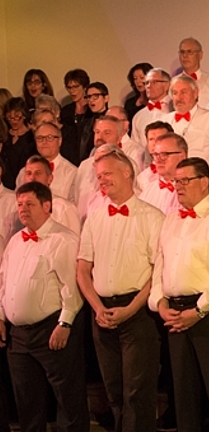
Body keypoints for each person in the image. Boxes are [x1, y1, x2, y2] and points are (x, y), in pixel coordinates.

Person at [149, 157, 209, 432]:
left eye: (184, 181)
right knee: (183, 394)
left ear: (204, 182)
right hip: (175, 313)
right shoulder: (171, 219)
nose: (177, 186)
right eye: (176, 181)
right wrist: (160, 302)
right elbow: (160, 264)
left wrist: (199, 310)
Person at [77, 146, 162, 431]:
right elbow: (82, 269)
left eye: (107, 174)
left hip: (137, 312)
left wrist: (130, 309)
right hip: (101, 311)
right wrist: (98, 307)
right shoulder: (95, 217)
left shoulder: (152, 217)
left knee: (137, 391)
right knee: (113, 390)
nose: (102, 180)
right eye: (99, 176)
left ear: (127, 172)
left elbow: (157, 272)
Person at [0, 181, 89, 432]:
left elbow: (71, 287)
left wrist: (65, 322)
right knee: (27, 402)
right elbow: (4, 281)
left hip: (51, 328)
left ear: (46, 205)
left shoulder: (63, 239)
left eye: (29, 204)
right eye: (19, 205)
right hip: (18, 335)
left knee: (68, 397)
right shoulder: (16, 240)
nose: (23, 209)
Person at [161, 75, 209, 167]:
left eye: (183, 92)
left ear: (195, 93)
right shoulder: (164, 121)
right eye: (175, 93)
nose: (179, 98)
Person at [19, 155, 81, 236]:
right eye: (28, 173)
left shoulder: (64, 208)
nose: (32, 178)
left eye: (38, 173)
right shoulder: (21, 208)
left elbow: (74, 242)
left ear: (50, 179)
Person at [15, 121, 77, 200]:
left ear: (60, 141)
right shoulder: (24, 172)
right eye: (40, 138)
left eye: (50, 137)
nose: (44, 142)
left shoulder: (72, 173)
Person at [139, 132, 187, 215]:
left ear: (182, 156)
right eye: (156, 154)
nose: (158, 160)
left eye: (164, 154)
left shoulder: (194, 190)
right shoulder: (147, 191)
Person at [131, 68, 172, 148]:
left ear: (167, 85)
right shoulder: (138, 116)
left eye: (155, 82)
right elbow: (136, 147)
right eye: (147, 83)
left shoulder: (175, 109)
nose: (149, 86)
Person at [1, 98, 36, 190]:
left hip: (23, 183)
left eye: (17, 116)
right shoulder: (4, 136)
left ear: (24, 115)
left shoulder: (32, 136)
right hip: (4, 184)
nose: (13, 120)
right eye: (9, 117)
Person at [177, 37, 209, 107]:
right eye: (182, 52)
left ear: (200, 55)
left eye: (189, 52)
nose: (185, 56)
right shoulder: (172, 83)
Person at [136, 121, 174, 192]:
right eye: (151, 139)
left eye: (159, 138)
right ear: (147, 143)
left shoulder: (181, 172)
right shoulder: (142, 178)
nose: (155, 143)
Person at [78, 82, 110, 162]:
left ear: (106, 98)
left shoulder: (112, 121)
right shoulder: (85, 123)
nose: (91, 100)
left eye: (95, 96)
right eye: (88, 97)